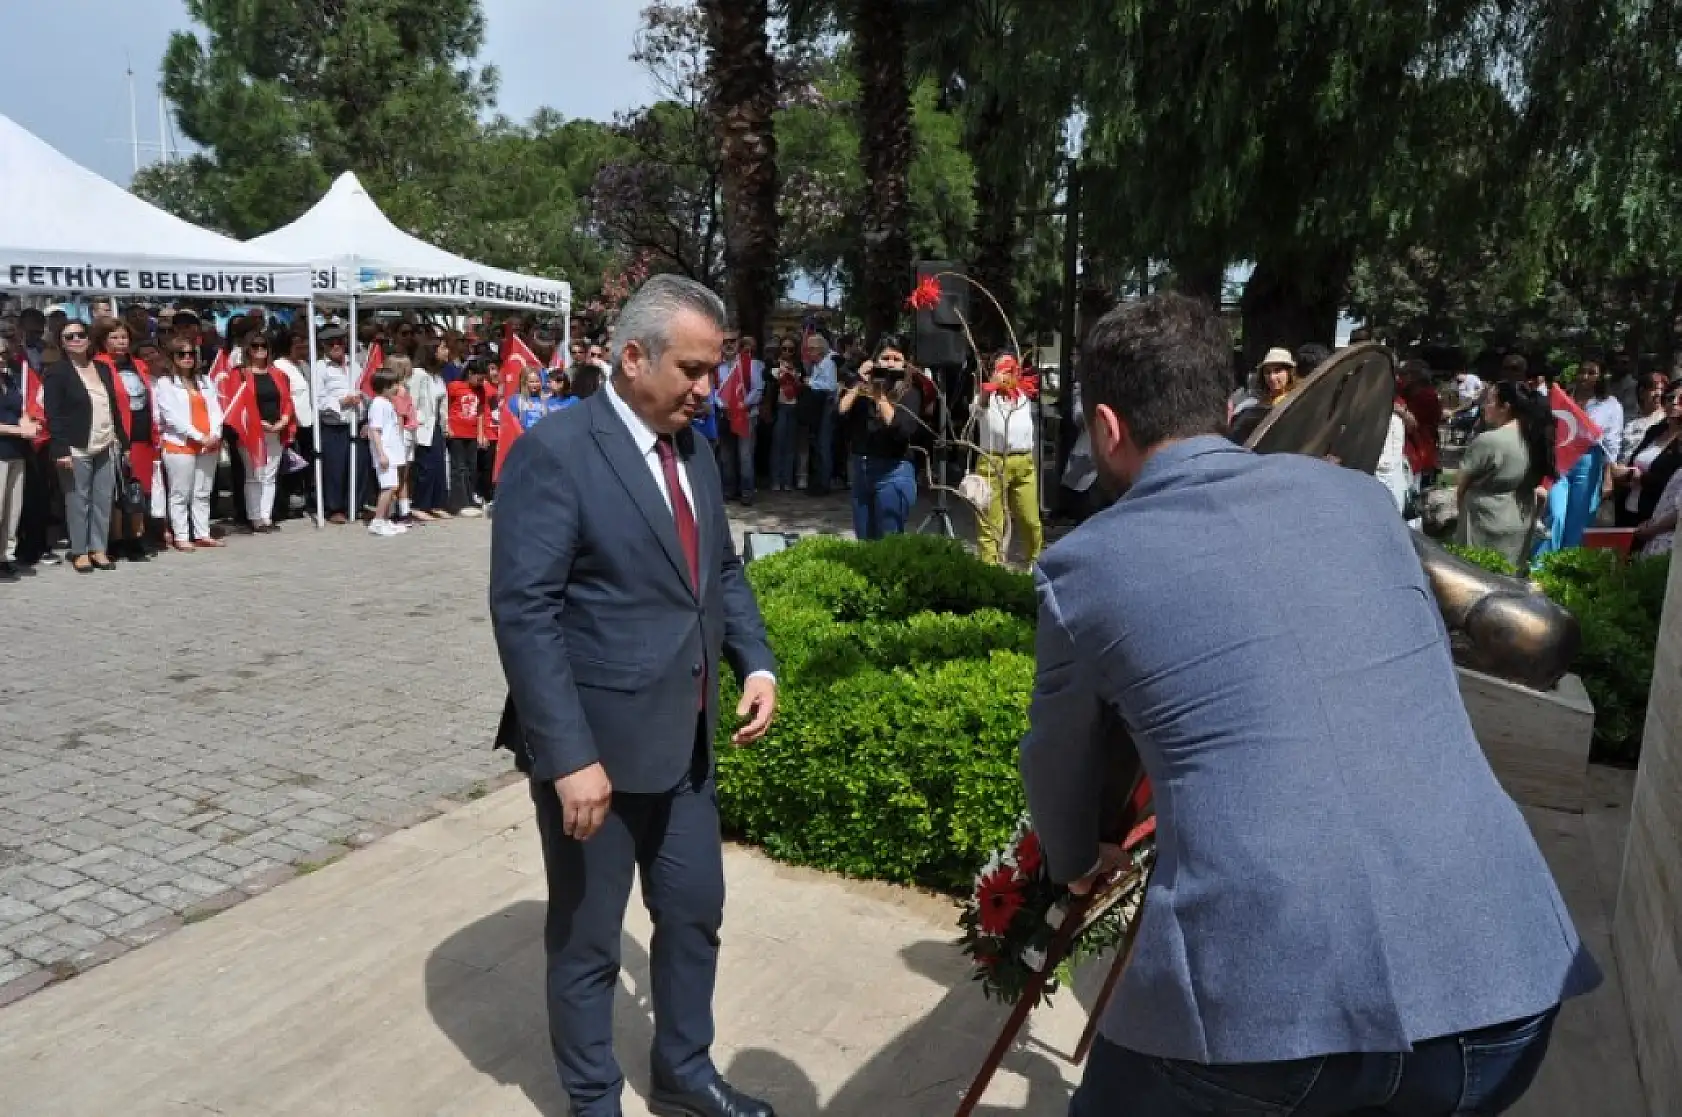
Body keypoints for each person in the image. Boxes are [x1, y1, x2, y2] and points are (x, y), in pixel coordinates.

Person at [1023, 293, 1598, 1117]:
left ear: (1107, 428)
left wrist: (1075, 855)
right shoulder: (1364, 502)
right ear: (1223, 406)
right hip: (1507, 981)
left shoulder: (1082, 568)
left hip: (1261, 1018)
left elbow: (1057, 757)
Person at [490, 274, 778, 1117]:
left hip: (684, 744)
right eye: (691, 368)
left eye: (714, 369)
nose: (707, 387)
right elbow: (525, 610)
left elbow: (718, 569)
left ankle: (685, 1067)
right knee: (587, 941)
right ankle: (593, 1099)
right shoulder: (556, 453)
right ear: (631, 356)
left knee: (693, 916)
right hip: (597, 755)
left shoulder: (694, 447)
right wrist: (570, 756)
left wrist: (753, 660)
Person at [42, 320, 128, 573]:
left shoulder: (102, 368)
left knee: (103, 500)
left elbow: (112, 407)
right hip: (76, 446)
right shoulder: (57, 372)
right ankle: (79, 551)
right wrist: (61, 450)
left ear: (89, 340)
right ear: (62, 343)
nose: (76, 339)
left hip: (105, 442)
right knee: (78, 500)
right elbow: (53, 414)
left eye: (81, 334)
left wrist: (122, 439)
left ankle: (98, 549)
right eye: (70, 337)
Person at [1456, 381, 1557, 568]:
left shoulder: (1489, 441)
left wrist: (1461, 513)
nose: (1485, 407)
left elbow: (1462, 485)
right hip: (1520, 519)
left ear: (1506, 407)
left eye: (1490, 401)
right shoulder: (1536, 439)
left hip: (1484, 522)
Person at [838, 340, 923, 540]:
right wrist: (859, 380)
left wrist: (879, 396)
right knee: (864, 540)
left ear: (905, 364)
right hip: (862, 471)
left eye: (896, 359)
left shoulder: (910, 393)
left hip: (893, 471)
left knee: (888, 542)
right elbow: (840, 412)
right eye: (885, 358)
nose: (890, 363)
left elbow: (902, 429)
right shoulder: (862, 388)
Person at [91, 318, 159, 561]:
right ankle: (117, 539)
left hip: (143, 433)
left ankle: (137, 537)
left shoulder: (139, 365)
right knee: (118, 490)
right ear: (103, 341)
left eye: (124, 337)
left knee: (138, 488)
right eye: (115, 338)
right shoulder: (98, 365)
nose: (121, 342)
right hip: (117, 435)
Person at [154, 336, 227, 552]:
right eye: (181, 354)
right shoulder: (165, 383)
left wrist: (214, 433)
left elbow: (216, 410)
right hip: (181, 445)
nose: (187, 358)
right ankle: (182, 535)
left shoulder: (205, 381)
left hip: (208, 444)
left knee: (202, 491)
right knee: (180, 493)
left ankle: (202, 532)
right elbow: (171, 416)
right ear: (172, 357)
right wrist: (198, 436)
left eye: (191, 354)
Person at [972, 353, 1043, 565]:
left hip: (1023, 462)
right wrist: (990, 388)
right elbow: (977, 410)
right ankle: (990, 572)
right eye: (1002, 367)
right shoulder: (985, 397)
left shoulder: (1023, 394)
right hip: (992, 462)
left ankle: (1036, 564)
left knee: (1031, 521)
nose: (1007, 373)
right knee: (990, 524)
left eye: (1011, 367)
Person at [235, 332, 296, 533]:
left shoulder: (277, 373)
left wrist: (284, 420)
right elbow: (238, 406)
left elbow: (287, 400)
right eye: (255, 346)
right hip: (251, 431)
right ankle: (255, 518)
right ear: (248, 349)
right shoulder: (240, 374)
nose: (260, 350)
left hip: (276, 429)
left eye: (264, 346)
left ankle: (266, 517)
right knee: (254, 475)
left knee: (270, 476)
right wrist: (258, 423)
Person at [1611, 381, 1682, 529]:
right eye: (1670, 398)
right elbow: (1634, 461)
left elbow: (1672, 481)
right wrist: (1623, 473)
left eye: (1681, 399)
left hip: (1658, 518)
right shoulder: (1654, 431)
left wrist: (1639, 478)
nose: (1674, 403)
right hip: (1629, 508)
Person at [314, 328, 359, 524]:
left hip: (356, 423)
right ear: (323, 345)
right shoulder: (320, 368)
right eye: (330, 343)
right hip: (334, 425)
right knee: (335, 469)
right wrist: (342, 402)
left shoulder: (355, 365)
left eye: (339, 341)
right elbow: (318, 400)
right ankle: (335, 508)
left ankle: (355, 505)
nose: (335, 346)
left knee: (356, 466)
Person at [715, 331, 763, 505]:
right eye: (725, 341)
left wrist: (743, 404)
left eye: (732, 341)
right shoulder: (716, 366)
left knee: (745, 456)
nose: (728, 345)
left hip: (746, 416)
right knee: (726, 456)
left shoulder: (750, 364)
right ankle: (729, 491)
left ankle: (747, 493)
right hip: (725, 415)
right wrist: (722, 405)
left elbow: (757, 390)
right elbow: (714, 390)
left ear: (738, 343)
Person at [0, 356, 37, 578]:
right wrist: (18, 431)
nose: (1, 358)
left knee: (12, 509)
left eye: (3, 354)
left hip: (16, 452)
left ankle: (6, 556)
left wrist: (27, 421)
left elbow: (19, 409)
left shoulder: (10, 380)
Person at [408, 340, 452, 520]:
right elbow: (412, 401)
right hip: (421, 426)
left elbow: (442, 404)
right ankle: (419, 504)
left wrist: (445, 425)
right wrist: (415, 424)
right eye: (443, 348)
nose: (447, 351)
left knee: (438, 466)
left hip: (436, 426)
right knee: (424, 466)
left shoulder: (437, 376)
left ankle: (436, 503)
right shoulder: (418, 374)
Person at [364, 369, 407, 537]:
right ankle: (377, 521)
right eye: (394, 384)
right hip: (385, 452)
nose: (397, 387)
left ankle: (386, 519)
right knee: (387, 487)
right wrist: (381, 454)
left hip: (392, 452)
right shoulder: (378, 404)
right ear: (385, 387)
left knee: (392, 486)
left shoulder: (387, 403)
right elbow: (375, 430)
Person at [445, 359, 489, 517]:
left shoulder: (481, 390)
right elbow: (446, 407)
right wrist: (447, 426)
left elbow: (480, 412)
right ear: (470, 374)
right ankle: (459, 502)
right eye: (479, 378)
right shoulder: (454, 386)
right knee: (458, 468)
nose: (481, 382)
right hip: (456, 433)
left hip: (471, 434)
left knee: (472, 467)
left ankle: (470, 499)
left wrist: (481, 433)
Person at [802, 332, 839, 494]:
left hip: (828, 405)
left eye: (811, 349)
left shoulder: (829, 362)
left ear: (819, 349)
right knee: (817, 443)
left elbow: (830, 385)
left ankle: (824, 483)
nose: (809, 353)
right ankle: (818, 480)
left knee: (824, 444)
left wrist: (810, 382)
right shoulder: (818, 363)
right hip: (818, 405)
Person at [769, 353, 805, 491]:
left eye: (791, 350)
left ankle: (787, 481)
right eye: (784, 350)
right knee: (778, 445)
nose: (787, 361)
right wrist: (781, 374)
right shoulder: (774, 370)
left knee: (790, 447)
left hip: (794, 409)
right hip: (780, 409)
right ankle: (776, 480)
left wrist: (796, 379)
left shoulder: (798, 371)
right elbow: (770, 381)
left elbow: (802, 388)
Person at [511, 367, 551, 432]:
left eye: (537, 381)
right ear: (525, 382)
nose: (535, 384)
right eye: (531, 382)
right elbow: (513, 424)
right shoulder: (516, 400)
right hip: (524, 436)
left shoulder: (546, 399)